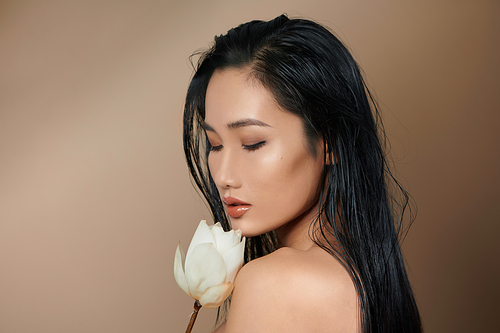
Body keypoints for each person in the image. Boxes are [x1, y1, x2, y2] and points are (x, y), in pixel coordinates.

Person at [183, 14, 421, 333]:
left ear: (331, 142)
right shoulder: (366, 281)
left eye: (253, 143)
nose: (224, 175)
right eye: (214, 144)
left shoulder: (274, 283)